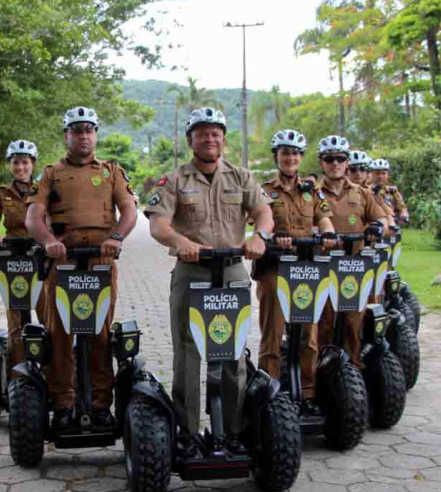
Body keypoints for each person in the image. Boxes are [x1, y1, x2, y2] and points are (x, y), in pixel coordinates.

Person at [146, 107, 273, 457]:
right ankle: (186, 433)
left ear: (223, 139)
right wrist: (181, 242)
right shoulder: (174, 180)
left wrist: (260, 236)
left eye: (215, 133)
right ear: (191, 140)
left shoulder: (241, 177)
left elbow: (264, 212)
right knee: (187, 353)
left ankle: (233, 432)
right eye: (202, 133)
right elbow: (158, 224)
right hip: (192, 272)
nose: (209, 138)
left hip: (232, 270)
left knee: (233, 351)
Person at [25, 107, 137, 432]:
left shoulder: (112, 171)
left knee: (100, 332)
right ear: (67, 135)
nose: (83, 136)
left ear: (96, 134)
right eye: (76, 130)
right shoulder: (51, 173)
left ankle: (101, 404)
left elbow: (129, 211)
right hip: (63, 263)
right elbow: (33, 217)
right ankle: (63, 403)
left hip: (101, 262)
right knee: (60, 333)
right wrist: (48, 241)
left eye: (89, 129)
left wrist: (116, 237)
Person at [255, 129, 336, 417]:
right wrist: (274, 237)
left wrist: (328, 233)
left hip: (305, 269)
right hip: (275, 268)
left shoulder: (311, 190)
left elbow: (324, 218)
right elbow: (258, 220)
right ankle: (270, 392)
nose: (290, 158)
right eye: (285, 153)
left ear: (301, 158)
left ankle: (308, 393)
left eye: (295, 153)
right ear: (276, 156)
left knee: (308, 336)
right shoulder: (265, 190)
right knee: (273, 334)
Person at [314, 136, 387, 369]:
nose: (335, 163)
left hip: (353, 268)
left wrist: (377, 228)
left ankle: (353, 371)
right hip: (323, 268)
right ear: (321, 162)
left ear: (346, 162)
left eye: (340, 158)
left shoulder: (362, 193)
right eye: (329, 159)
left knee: (353, 323)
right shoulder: (312, 194)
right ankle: (321, 374)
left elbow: (382, 219)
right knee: (325, 323)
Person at [0, 139, 44, 371]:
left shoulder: (43, 189)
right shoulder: (2, 193)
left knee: (44, 310)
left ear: (33, 164)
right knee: (15, 315)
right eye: (16, 162)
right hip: (11, 255)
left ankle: (49, 369)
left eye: (25, 162)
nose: (20, 167)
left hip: (38, 254)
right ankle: (17, 371)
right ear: (10, 165)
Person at [370, 158, 409, 224]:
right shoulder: (366, 190)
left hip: (390, 223)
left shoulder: (393, 190)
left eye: (383, 173)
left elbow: (402, 207)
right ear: (372, 174)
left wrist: (404, 216)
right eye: (377, 173)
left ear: (388, 175)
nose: (380, 176)